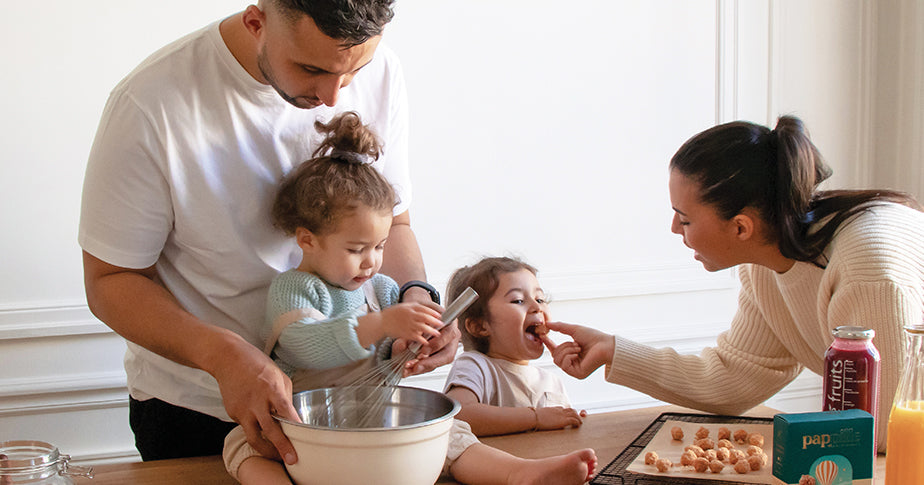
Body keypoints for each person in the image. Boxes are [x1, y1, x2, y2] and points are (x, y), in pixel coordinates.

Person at [78, 0, 461, 465]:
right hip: (198, 411)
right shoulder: (151, 102)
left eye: (354, 71)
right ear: (256, 22)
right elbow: (110, 281)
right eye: (310, 68)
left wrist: (416, 297)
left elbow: (394, 222)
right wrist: (221, 355)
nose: (334, 95)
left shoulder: (382, 71)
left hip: (347, 406)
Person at [223, 113, 598, 485]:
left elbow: (387, 355)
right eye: (356, 249)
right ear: (307, 240)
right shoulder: (295, 288)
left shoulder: (383, 290)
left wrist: (409, 347)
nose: (371, 261)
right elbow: (307, 348)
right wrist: (382, 324)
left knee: (451, 433)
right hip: (303, 428)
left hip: (373, 419)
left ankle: (520, 474)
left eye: (380, 246)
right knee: (241, 446)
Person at [545, 115, 924, 453]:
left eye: (685, 219)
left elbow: (885, 431)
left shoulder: (868, 271)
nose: (674, 229)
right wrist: (613, 350)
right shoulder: (765, 261)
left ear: (741, 227)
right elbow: (734, 378)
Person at [443, 257, 587, 436]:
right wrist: (536, 418)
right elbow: (459, 415)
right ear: (480, 326)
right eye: (518, 300)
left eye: (540, 299)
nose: (536, 307)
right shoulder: (475, 366)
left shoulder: (551, 381)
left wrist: (571, 421)